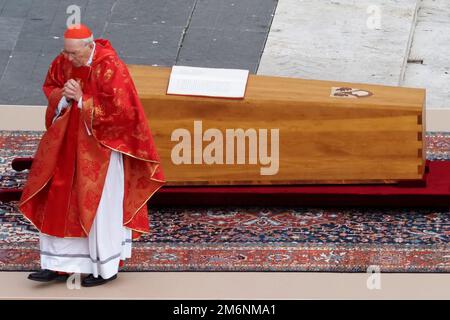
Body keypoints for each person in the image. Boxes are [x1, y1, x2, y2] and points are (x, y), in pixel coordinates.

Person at [18, 24, 166, 287]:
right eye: (66, 52)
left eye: (74, 53)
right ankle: (56, 264)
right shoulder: (65, 60)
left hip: (100, 150)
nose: (68, 59)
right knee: (58, 201)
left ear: (89, 46)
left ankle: (104, 267)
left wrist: (82, 100)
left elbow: (122, 112)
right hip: (66, 145)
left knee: (99, 207)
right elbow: (52, 86)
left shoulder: (110, 67)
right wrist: (62, 98)